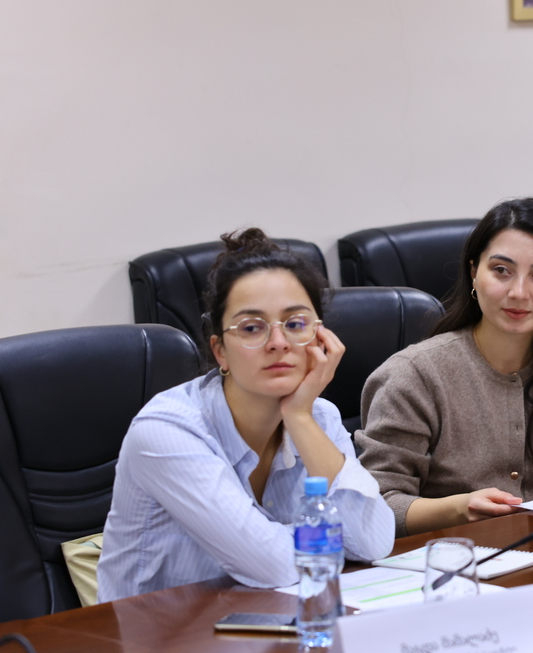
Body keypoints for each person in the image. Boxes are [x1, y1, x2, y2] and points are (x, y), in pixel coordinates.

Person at [97, 230, 394, 600]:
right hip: (157, 631)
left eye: (295, 324)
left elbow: (373, 542)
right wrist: (331, 541)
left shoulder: (318, 416)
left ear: (321, 338)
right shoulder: (166, 432)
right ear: (220, 351)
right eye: (252, 328)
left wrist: (299, 417)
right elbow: (273, 566)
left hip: (268, 620)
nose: (278, 343)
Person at [357, 197, 533, 536]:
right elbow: (376, 507)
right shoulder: (414, 376)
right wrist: (458, 509)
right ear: (473, 272)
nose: (518, 292)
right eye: (501, 270)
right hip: (451, 558)